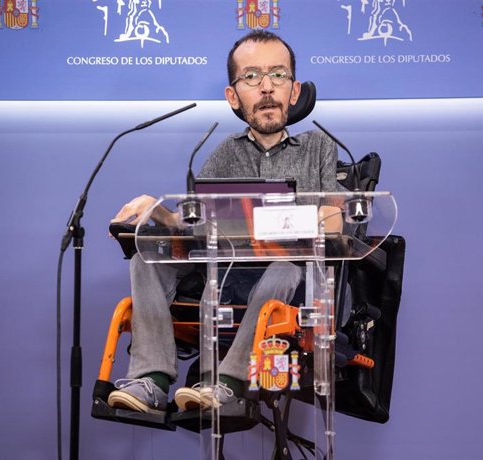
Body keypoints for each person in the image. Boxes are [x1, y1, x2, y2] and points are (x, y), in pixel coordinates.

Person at [106, 30, 339, 415]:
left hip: (290, 281)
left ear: (294, 91)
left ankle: (228, 383)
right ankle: (152, 380)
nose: (266, 88)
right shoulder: (222, 153)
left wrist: (313, 216)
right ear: (233, 96)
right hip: (226, 275)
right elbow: (196, 225)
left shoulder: (319, 146)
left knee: (282, 270)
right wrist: (158, 211)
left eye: (278, 75)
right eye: (251, 77)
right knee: (145, 258)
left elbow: (332, 224)